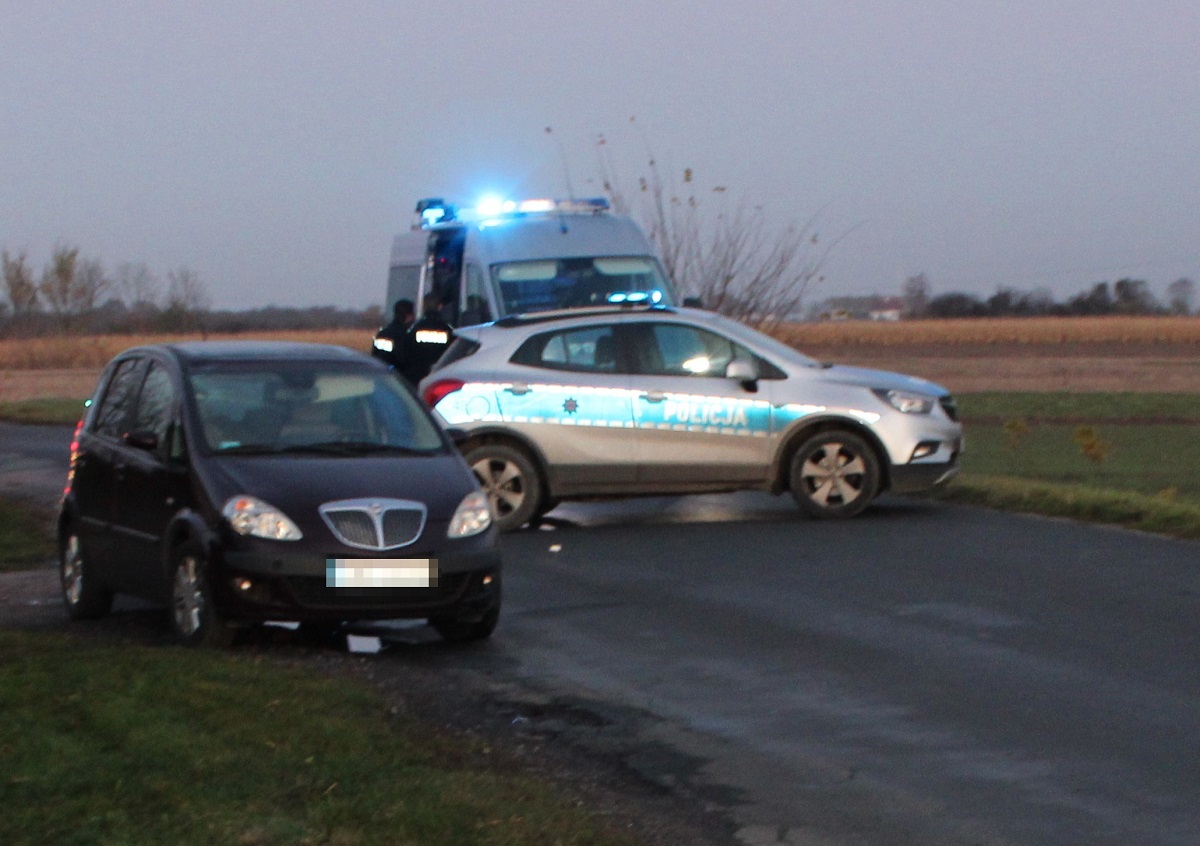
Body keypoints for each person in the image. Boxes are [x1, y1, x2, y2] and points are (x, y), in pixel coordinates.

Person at [399, 294, 455, 385]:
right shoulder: (447, 329)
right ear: (440, 307)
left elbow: (406, 352)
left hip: (417, 378)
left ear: (424, 307)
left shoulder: (415, 328)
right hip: (440, 377)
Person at [372, 299, 414, 369]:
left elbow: (374, 355)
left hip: (380, 373)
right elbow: (403, 360)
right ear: (408, 316)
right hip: (396, 376)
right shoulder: (405, 336)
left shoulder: (382, 333)